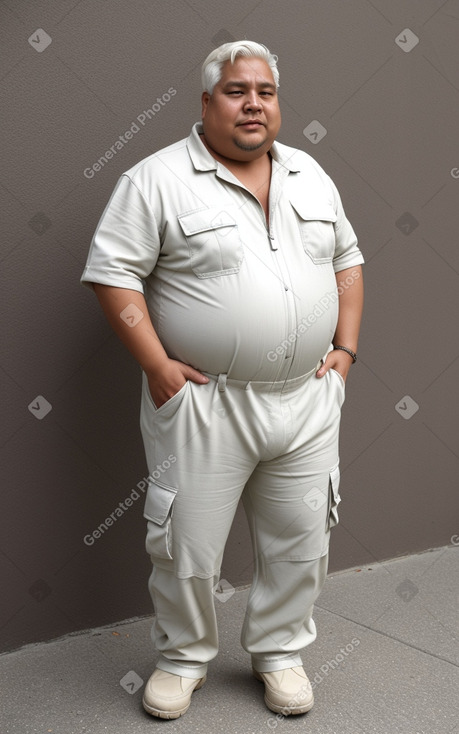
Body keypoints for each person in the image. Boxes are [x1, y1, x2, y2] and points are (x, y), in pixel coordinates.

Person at [81, 40, 364, 720]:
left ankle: (280, 653)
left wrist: (345, 352)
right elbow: (113, 271)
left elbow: (348, 261)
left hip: (306, 400)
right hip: (206, 404)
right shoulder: (155, 180)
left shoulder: (309, 174)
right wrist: (156, 364)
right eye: (237, 91)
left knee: (302, 540)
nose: (253, 103)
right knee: (185, 545)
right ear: (206, 102)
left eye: (264, 92)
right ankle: (182, 659)